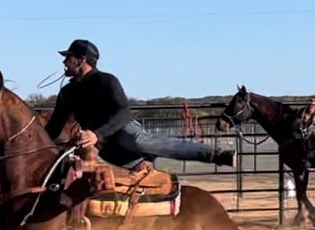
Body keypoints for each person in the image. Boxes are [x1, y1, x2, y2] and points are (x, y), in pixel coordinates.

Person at [42, 39, 235, 169]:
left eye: (68, 57)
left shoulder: (106, 81)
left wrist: (96, 134)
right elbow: (54, 127)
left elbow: (123, 112)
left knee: (141, 141)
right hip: (106, 146)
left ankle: (218, 155)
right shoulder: (67, 93)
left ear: (81, 60)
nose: (64, 62)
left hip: (123, 132)